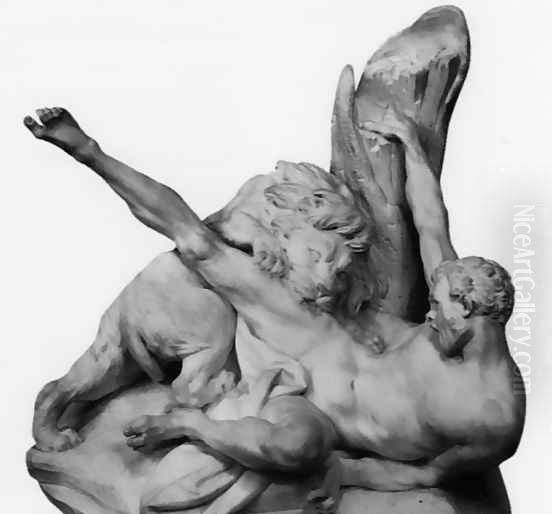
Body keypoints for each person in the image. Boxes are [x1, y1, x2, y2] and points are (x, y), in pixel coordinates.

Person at [24, 106, 525, 489]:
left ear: (474, 315)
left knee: (299, 448)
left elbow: (431, 475)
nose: (429, 315)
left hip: (323, 415)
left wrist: (350, 474)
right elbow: (432, 223)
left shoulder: (493, 418)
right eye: (433, 304)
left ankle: (191, 425)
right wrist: (412, 145)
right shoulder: (451, 291)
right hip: (317, 340)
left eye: (438, 311)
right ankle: (88, 151)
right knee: (199, 245)